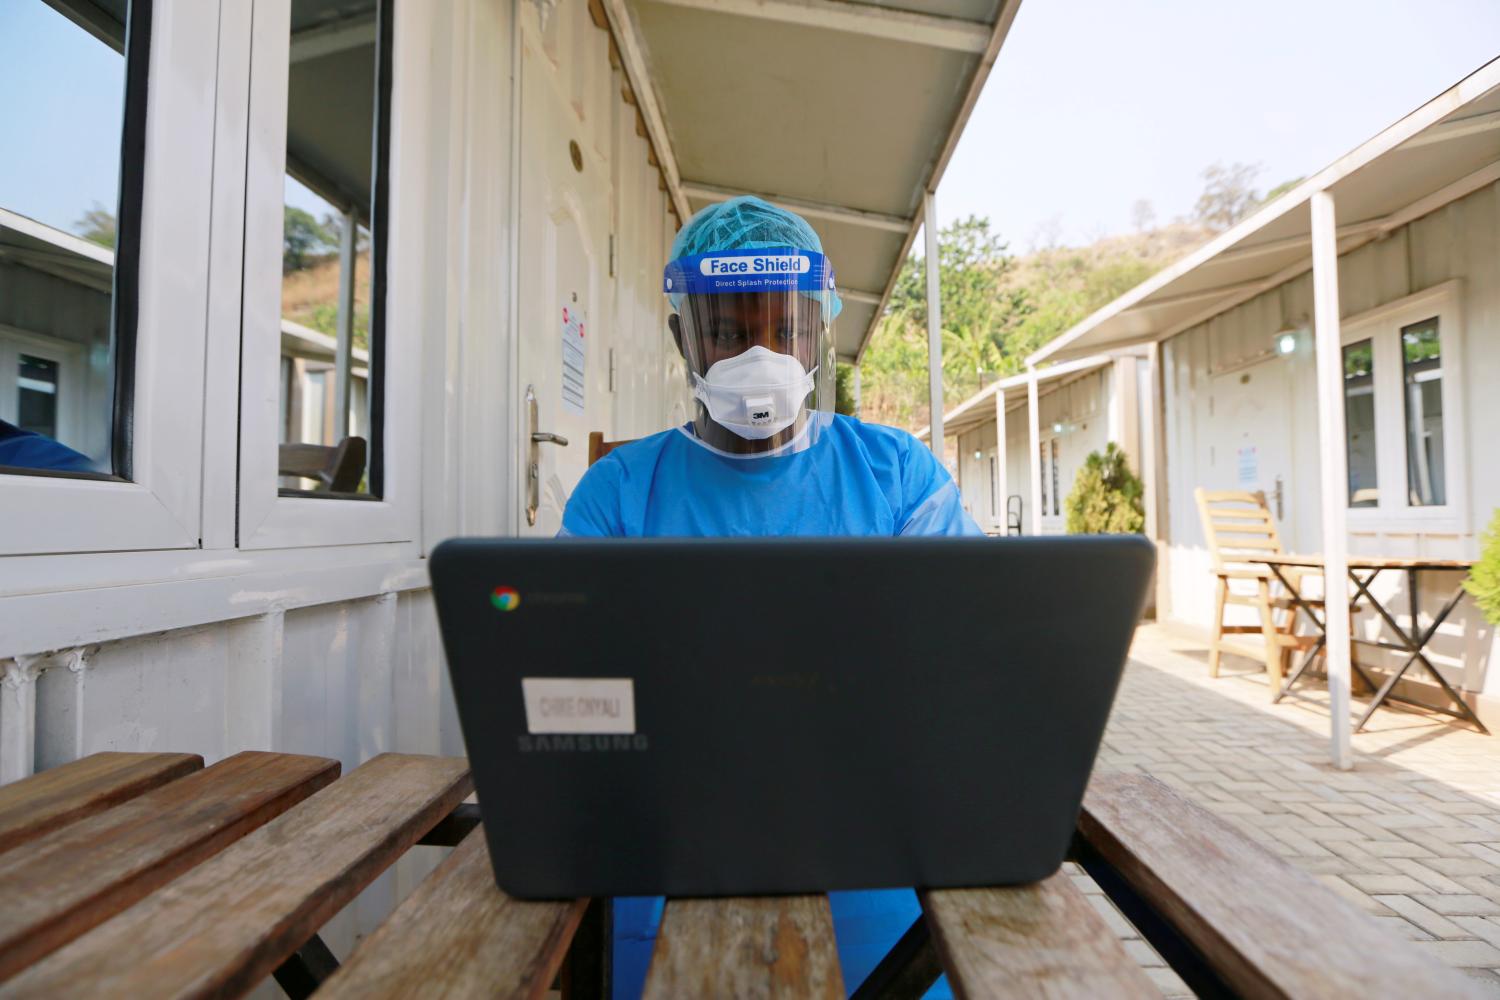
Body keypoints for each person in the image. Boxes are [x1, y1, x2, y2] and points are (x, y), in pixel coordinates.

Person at [560, 196, 979, 999]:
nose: (760, 353)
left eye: (784, 328)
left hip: (875, 849)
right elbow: (569, 684)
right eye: (728, 330)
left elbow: (963, 658)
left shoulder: (896, 476)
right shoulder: (620, 492)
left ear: (820, 331)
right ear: (684, 336)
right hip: (669, 849)